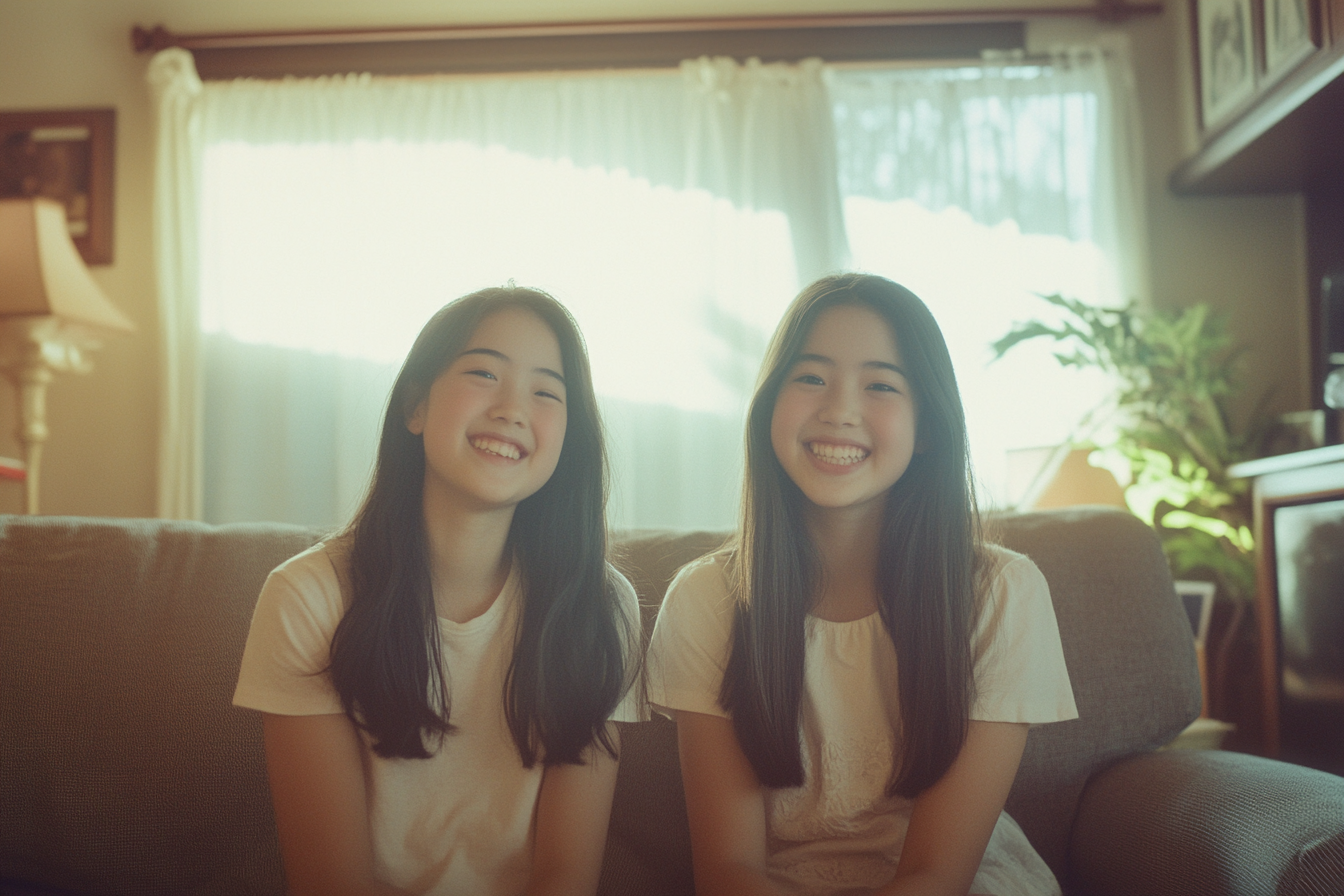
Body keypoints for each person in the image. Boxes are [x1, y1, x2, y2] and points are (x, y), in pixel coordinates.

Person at [646, 273, 1078, 896]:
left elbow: (936, 874)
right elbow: (728, 871)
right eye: (811, 377)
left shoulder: (1002, 595)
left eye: (880, 385)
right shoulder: (707, 598)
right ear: (769, 405)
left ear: (928, 427)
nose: (839, 411)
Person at [234, 285, 642, 896]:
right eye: (484, 372)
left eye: (546, 391)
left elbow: (566, 878)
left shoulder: (601, 608)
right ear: (415, 405)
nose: (512, 408)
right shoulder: (308, 597)